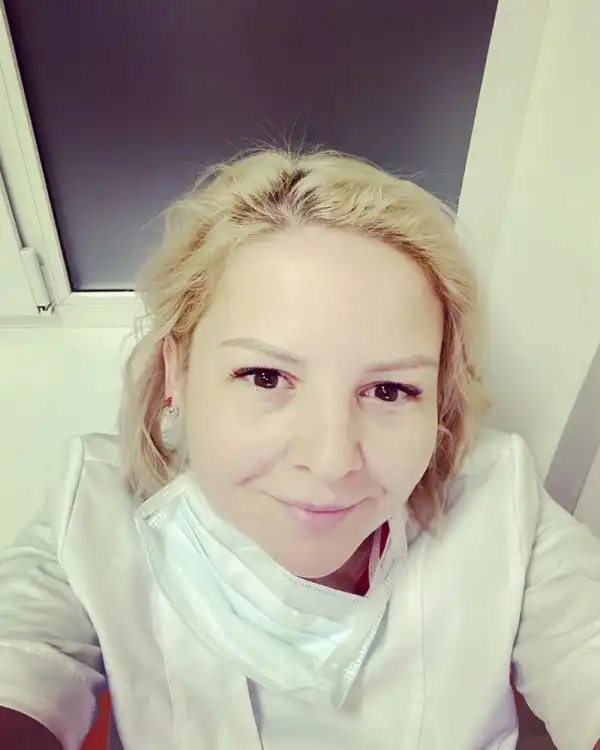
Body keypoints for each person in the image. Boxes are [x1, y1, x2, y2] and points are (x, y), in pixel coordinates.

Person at [0, 149, 598, 750]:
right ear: (178, 372)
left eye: (389, 389)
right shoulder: (94, 511)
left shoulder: (499, 502)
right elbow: (21, 660)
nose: (333, 461)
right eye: (265, 377)